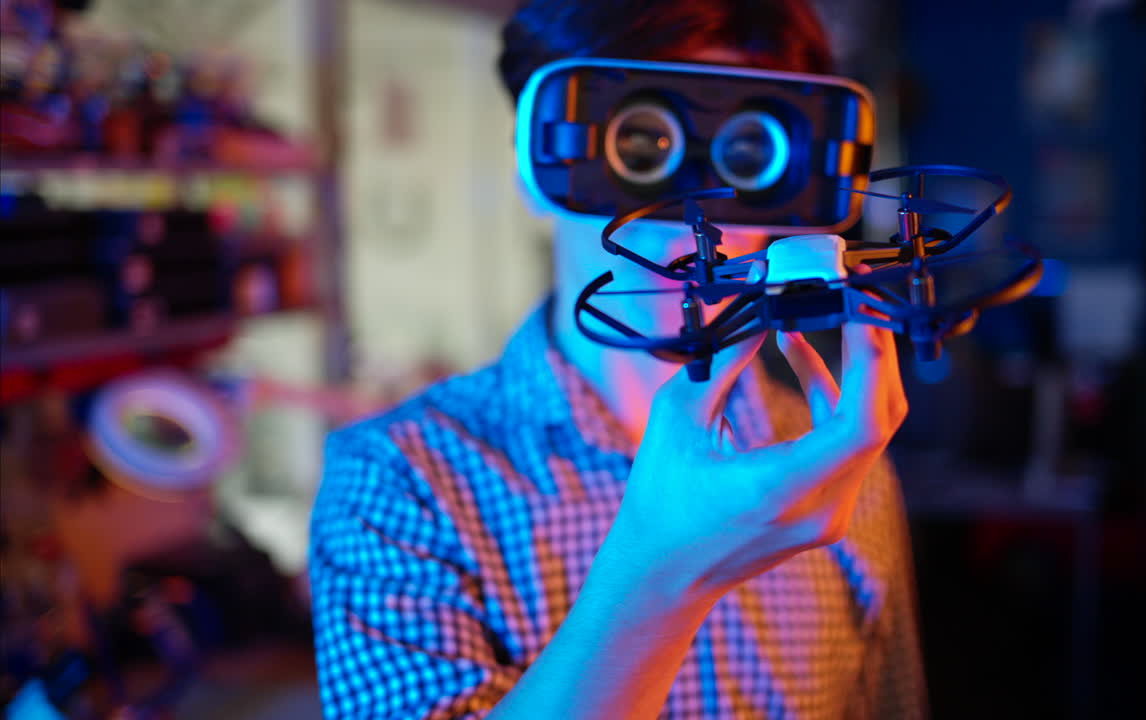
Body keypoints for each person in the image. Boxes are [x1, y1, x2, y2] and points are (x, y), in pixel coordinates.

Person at [310, 1, 927, 718]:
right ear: (536, 160)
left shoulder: (839, 477)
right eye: (640, 147)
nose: (694, 220)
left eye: (748, 155)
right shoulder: (402, 484)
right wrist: (663, 574)